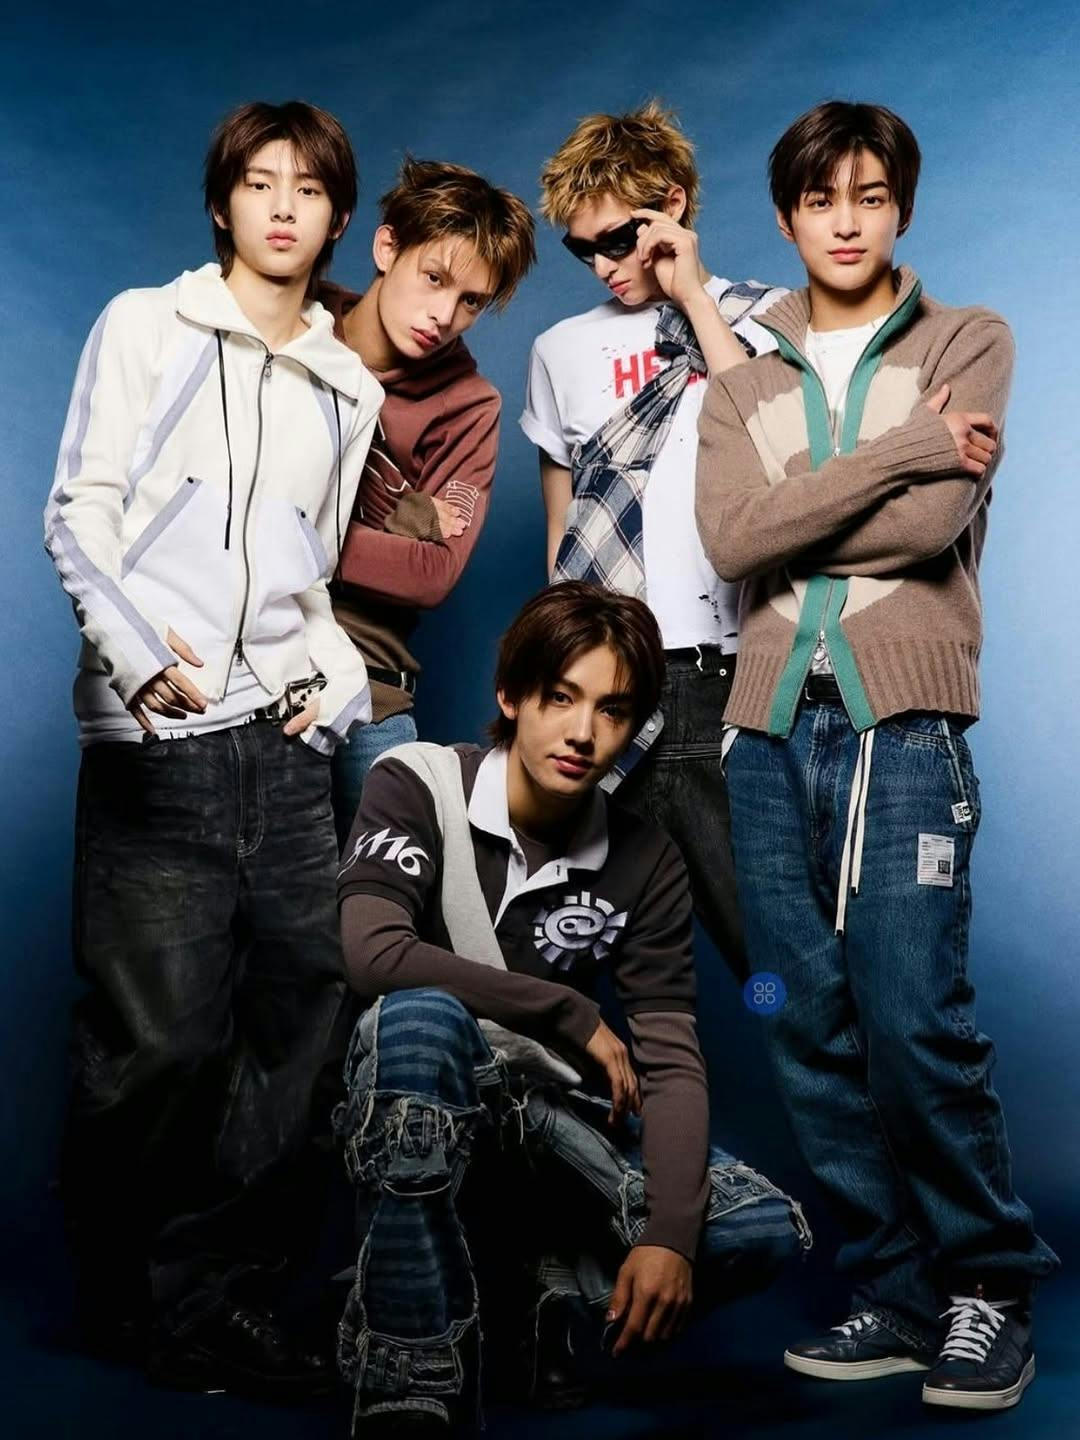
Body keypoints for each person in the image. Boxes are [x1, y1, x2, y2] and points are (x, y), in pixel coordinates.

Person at [694, 100, 1058, 1413]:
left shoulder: (969, 339)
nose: (845, 222)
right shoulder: (742, 384)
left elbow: (927, 531)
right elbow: (733, 543)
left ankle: (988, 1285)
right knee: (798, 1023)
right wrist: (907, 448)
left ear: (900, 206)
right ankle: (898, 1289)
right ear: (786, 216)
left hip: (903, 731)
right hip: (764, 735)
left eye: (869, 196)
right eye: (819, 199)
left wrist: (804, 508)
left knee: (911, 1017)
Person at [44, 99, 383, 1395]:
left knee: (304, 1023)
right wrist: (137, 654)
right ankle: (124, 1292)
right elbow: (79, 512)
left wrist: (338, 678)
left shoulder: (348, 384)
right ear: (222, 202)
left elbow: (310, 575)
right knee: (159, 1044)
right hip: (156, 741)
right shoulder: (148, 324)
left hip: (285, 753)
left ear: (337, 217)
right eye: (259, 181)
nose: (283, 206)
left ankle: (221, 1296)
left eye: (309, 188)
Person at [333, 581, 810, 1436]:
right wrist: (562, 1010)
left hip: (539, 1124)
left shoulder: (644, 856)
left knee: (758, 1229)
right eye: (561, 697)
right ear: (511, 696)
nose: (584, 733)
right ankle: (412, 1373)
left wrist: (669, 1238)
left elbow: (670, 1058)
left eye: (613, 710)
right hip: (414, 1104)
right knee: (418, 1018)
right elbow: (374, 953)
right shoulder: (415, 782)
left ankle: (529, 1291)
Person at [520, 100, 785, 984]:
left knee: (766, 951)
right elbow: (563, 534)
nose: (604, 266)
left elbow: (773, 441)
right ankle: (588, 1077)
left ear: (671, 205)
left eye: (618, 239)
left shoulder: (766, 317)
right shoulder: (560, 349)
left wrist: (693, 295)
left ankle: (804, 1056)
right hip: (603, 683)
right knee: (567, 944)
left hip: (728, 677)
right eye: (583, 250)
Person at [319, 159, 536, 848]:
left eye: (471, 301)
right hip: (243, 675)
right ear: (388, 248)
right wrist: (400, 516)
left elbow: (431, 573)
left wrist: (288, 530)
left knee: (383, 904)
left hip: (370, 695)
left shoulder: (469, 406)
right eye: (435, 278)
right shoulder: (297, 324)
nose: (445, 316)